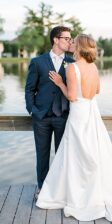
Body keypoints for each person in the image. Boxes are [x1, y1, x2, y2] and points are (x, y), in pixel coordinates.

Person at [35, 34, 112, 222]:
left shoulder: (72, 68)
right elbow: (97, 90)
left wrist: (60, 83)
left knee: (76, 153)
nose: (71, 43)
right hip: (92, 112)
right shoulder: (93, 67)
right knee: (93, 151)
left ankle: (77, 192)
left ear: (79, 47)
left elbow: (72, 96)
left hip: (78, 114)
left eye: (73, 41)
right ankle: (92, 189)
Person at [25, 26, 74, 196]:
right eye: (66, 38)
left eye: (70, 38)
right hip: (41, 116)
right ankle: (43, 189)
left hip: (63, 116)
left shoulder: (73, 63)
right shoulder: (37, 62)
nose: (70, 41)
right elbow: (29, 89)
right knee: (42, 155)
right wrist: (32, 110)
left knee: (63, 156)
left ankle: (60, 189)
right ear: (56, 39)